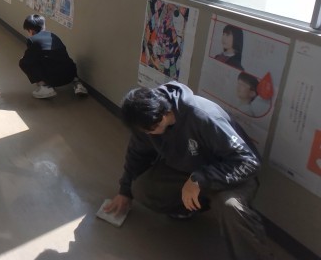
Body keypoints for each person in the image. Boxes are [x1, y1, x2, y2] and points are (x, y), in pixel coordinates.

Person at [104, 82, 272, 260]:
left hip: (228, 173)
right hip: (189, 169)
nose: (147, 134)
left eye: (149, 130)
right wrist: (125, 191)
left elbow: (249, 162)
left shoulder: (203, 116)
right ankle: (191, 206)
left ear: (163, 116)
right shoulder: (145, 120)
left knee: (230, 207)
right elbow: (137, 155)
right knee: (142, 189)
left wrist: (200, 180)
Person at [19, 14, 87, 99]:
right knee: (65, 60)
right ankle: (78, 84)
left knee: (23, 62)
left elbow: (27, 60)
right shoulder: (53, 35)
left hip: (53, 80)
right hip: (70, 75)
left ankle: (45, 87)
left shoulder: (32, 41)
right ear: (43, 26)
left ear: (31, 30)